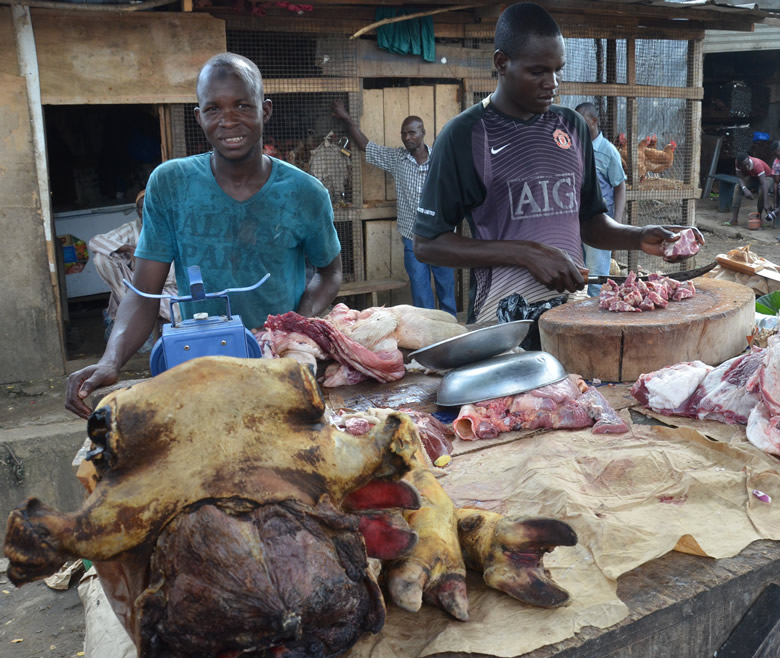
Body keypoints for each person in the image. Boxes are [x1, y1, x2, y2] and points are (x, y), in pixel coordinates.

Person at [66, 52, 343, 417]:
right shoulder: (170, 184)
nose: (228, 121)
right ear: (199, 118)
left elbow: (330, 270)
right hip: (199, 364)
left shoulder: (305, 193)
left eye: (243, 105)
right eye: (213, 109)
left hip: (277, 365)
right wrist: (111, 359)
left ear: (266, 110)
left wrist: (293, 324)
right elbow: (144, 292)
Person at [412, 2, 699, 323]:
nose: (553, 83)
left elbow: (591, 221)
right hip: (500, 322)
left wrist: (638, 235)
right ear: (502, 63)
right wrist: (525, 253)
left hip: (571, 316)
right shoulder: (464, 135)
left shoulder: (572, 127)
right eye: (538, 71)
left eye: (557, 70)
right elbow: (427, 244)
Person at [330, 101, 457, 316]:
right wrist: (347, 120)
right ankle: (426, 334)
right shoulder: (397, 159)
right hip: (413, 237)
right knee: (420, 291)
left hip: (441, 237)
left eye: (412, 133)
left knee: (446, 289)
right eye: (404, 134)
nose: (407, 137)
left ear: (422, 132)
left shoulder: (441, 159)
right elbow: (366, 147)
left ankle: (452, 328)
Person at [88, 190, 179, 340]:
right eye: (141, 208)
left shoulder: (174, 227)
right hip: (138, 290)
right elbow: (95, 241)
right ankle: (128, 305)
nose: (145, 212)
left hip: (170, 290)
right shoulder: (132, 228)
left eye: (149, 207)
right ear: (137, 211)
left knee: (179, 321)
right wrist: (128, 249)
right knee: (101, 258)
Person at [574, 102, 626, 297]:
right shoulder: (575, 147)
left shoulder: (608, 151)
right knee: (578, 274)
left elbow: (619, 186)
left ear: (593, 121)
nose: (577, 125)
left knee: (596, 277)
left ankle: (594, 320)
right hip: (576, 221)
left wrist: (616, 224)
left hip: (600, 223)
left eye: (582, 120)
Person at [725, 152, 775, 227]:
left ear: (749, 159)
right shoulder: (737, 163)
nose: (747, 166)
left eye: (747, 164)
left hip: (767, 178)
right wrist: (745, 189)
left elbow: (763, 183)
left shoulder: (757, 164)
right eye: (744, 165)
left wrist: (766, 202)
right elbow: (740, 177)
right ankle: (734, 219)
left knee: (762, 191)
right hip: (753, 177)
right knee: (738, 187)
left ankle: (759, 216)